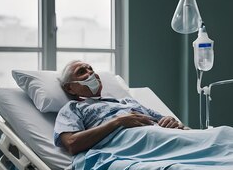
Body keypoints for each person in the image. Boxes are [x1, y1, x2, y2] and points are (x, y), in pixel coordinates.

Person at [54, 60, 186, 154]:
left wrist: (171, 121)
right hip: (134, 145)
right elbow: (72, 144)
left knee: (200, 137)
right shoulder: (73, 108)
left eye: (91, 69)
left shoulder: (126, 101)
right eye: (82, 71)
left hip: (163, 137)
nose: (91, 73)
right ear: (69, 88)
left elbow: (171, 122)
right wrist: (118, 122)